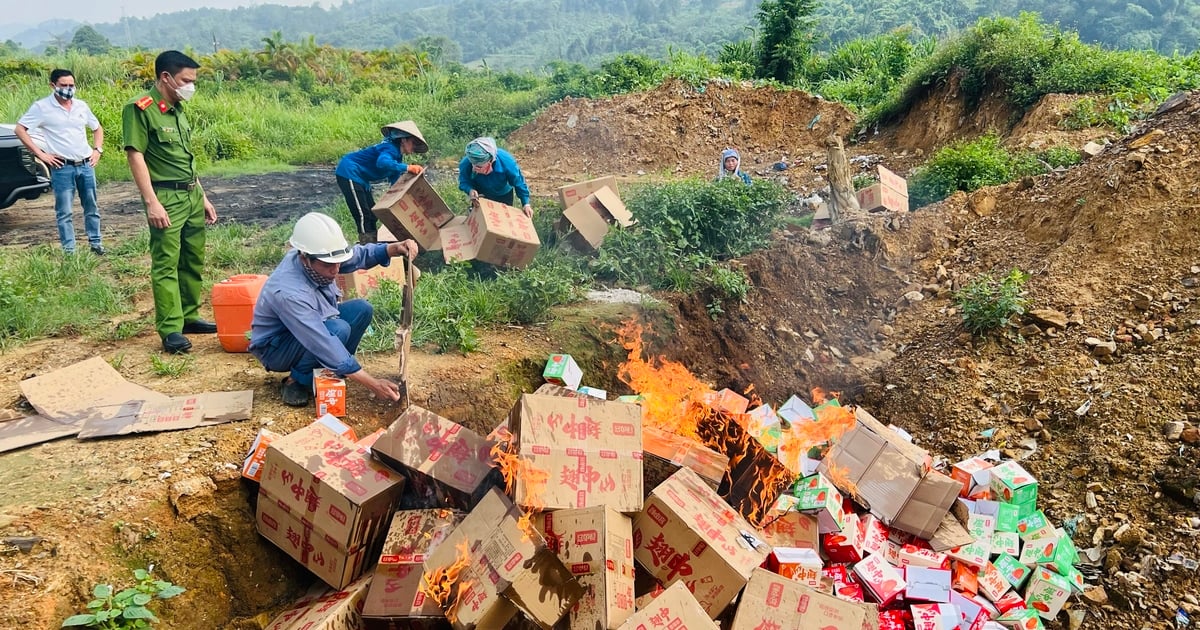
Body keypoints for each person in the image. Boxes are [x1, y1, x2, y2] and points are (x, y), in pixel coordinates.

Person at [248, 212, 419, 407]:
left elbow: (355, 256)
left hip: (309, 327)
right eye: (329, 265)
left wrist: (391, 249)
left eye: (338, 262)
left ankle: (332, 369)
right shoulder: (289, 293)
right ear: (305, 259)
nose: (336, 269)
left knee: (362, 309)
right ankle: (296, 380)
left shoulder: (320, 257)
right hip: (276, 347)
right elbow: (320, 339)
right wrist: (371, 383)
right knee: (338, 329)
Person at [122, 50, 218, 354]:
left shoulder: (177, 109)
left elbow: (184, 159)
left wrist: (202, 196)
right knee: (166, 262)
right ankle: (170, 328)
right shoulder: (140, 109)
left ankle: (189, 316)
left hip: (190, 194)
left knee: (192, 259)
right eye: (185, 80)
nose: (191, 86)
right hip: (165, 196)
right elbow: (135, 156)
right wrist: (152, 202)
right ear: (166, 77)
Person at [15, 68, 106, 255]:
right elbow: (20, 129)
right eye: (63, 85)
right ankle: (70, 250)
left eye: (71, 85)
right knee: (64, 211)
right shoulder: (42, 108)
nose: (68, 89)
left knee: (91, 206)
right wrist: (41, 154)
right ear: (53, 85)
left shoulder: (81, 106)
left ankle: (96, 243)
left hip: (86, 164)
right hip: (62, 167)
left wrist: (97, 150)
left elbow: (97, 128)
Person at [335, 121, 428, 244]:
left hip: (362, 179)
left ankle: (372, 244)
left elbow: (395, 181)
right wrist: (407, 168)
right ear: (403, 140)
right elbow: (382, 162)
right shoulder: (389, 148)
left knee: (372, 215)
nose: (414, 147)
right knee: (363, 214)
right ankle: (366, 246)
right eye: (413, 143)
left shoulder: (397, 157)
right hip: (349, 172)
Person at [458, 137, 533, 217]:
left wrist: (526, 204)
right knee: (480, 220)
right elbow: (464, 181)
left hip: (503, 194)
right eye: (473, 165)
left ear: (491, 160)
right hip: (481, 195)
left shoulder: (507, 163)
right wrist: (470, 190)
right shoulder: (466, 163)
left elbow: (519, 182)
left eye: (479, 167)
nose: (475, 169)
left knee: (503, 219)